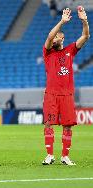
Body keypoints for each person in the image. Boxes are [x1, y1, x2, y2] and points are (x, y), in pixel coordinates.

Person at [42, 7, 90, 165]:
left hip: (67, 95)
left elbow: (85, 36)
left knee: (68, 125)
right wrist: (62, 21)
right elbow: (48, 37)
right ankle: (49, 155)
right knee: (49, 123)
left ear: (62, 38)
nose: (53, 37)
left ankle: (64, 156)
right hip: (51, 94)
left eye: (57, 36)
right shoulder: (48, 52)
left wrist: (84, 20)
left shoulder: (70, 50)